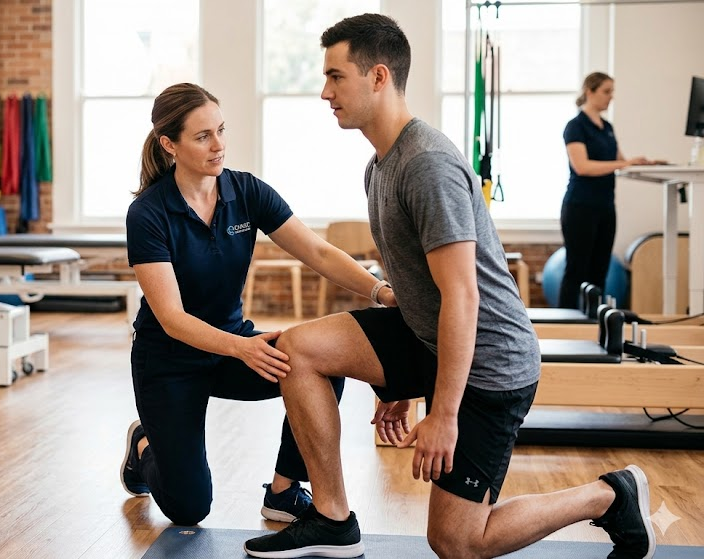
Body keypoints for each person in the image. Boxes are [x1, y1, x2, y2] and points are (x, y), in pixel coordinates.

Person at [244, 14, 656, 559]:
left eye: (335, 77)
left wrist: (443, 413)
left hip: (490, 366)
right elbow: (421, 289)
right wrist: (397, 383)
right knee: (297, 349)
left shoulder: (427, 164)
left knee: (457, 542)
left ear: (378, 77)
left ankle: (608, 496)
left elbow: (464, 296)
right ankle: (331, 517)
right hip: (431, 340)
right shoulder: (379, 167)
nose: (325, 93)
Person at [120, 82, 396, 527]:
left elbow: (319, 253)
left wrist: (380, 292)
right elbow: (171, 318)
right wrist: (241, 347)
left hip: (233, 344)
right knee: (189, 509)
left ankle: (285, 492)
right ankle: (144, 447)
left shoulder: (246, 192)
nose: (219, 145)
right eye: (203, 136)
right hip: (169, 360)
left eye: (221, 130)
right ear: (169, 145)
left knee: (324, 361)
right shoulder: (149, 214)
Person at [559, 72, 660, 309]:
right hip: (579, 207)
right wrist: (624, 163)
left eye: (612, 92)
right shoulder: (575, 127)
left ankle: (593, 324)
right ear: (589, 92)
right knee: (577, 269)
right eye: (606, 91)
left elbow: (619, 162)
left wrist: (640, 163)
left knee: (599, 270)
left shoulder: (607, 127)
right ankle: (565, 324)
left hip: (605, 207)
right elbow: (582, 166)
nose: (610, 97)